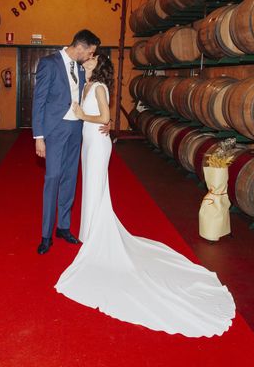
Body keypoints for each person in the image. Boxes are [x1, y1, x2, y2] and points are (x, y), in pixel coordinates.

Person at [55, 55, 236, 338]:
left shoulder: (100, 86)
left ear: (97, 65)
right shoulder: (87, 84)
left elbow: (103, 117)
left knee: (96, 187)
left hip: (98, 143)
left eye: (90, 59)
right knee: (90, 187)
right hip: (88, 142)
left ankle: (94, 236)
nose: (86, 60)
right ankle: (89, 231)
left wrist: (82, 116)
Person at [32, 29, 106, 255]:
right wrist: (39, 137)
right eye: (90, 52)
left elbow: (92, 94)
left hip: (77, 129)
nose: (91, 57)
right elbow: (39, 101)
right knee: (52, 178)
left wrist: (104, 120)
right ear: (80, 47)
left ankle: (63, 227)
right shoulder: (49, 63)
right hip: (55, 131)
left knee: (70, 178)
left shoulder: (83, 68)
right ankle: (46, 235)